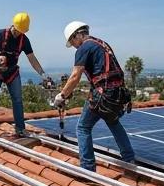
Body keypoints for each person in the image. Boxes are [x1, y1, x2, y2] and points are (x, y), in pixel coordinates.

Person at [55, 22, 134, 172]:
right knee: (113, 122)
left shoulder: (84, 48)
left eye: (72, 41)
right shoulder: (102, 44)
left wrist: (62, 95)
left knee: (83, 127)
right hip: (118, 93)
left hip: (103, 94)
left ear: (77, 35)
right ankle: (129, 158)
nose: (74, 46)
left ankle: (87, 168)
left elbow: (75, 76)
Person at [0, 12, 50, 139]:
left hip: (12, 71)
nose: (19, 33)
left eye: (21, 31)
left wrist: (43, 74)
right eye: (17, 31)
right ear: (13, 26)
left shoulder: (24, 40)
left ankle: (20, 129)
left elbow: (32, 58)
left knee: (17, 100)